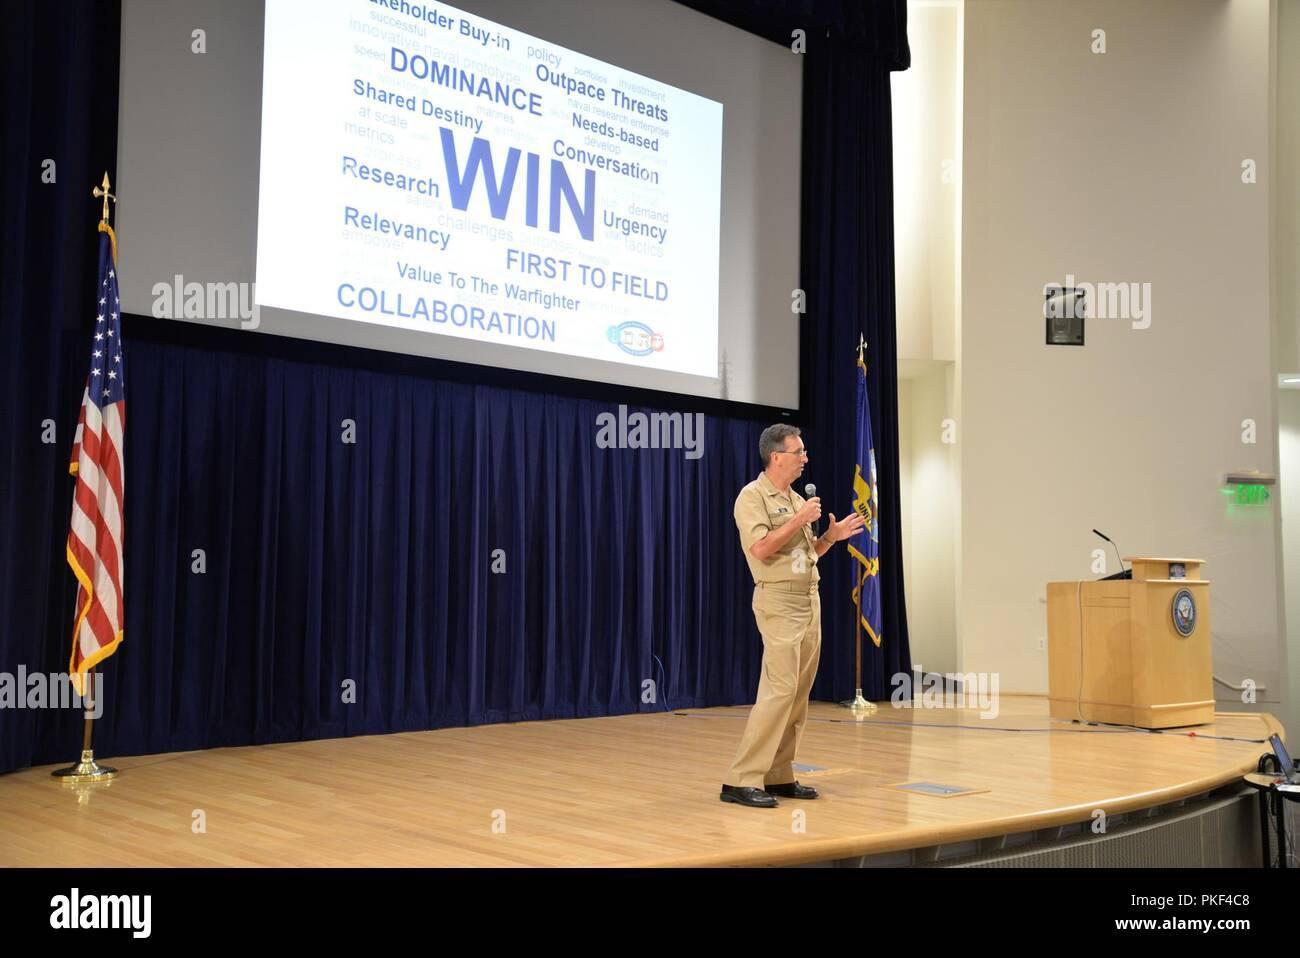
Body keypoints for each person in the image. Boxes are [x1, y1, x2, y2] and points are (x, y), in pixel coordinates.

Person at [720, 424, 865, 808]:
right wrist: (798, 521)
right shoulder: (752, 497)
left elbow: (806, 554)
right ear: (776, 456)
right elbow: (762, 548)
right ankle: (741, 779)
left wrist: (831, 537)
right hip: (779, 601)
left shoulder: (797, 498)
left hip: (808, 598)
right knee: (778, 691)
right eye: (798, 451)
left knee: (798, 695)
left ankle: (778, 774)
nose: (805, 458)